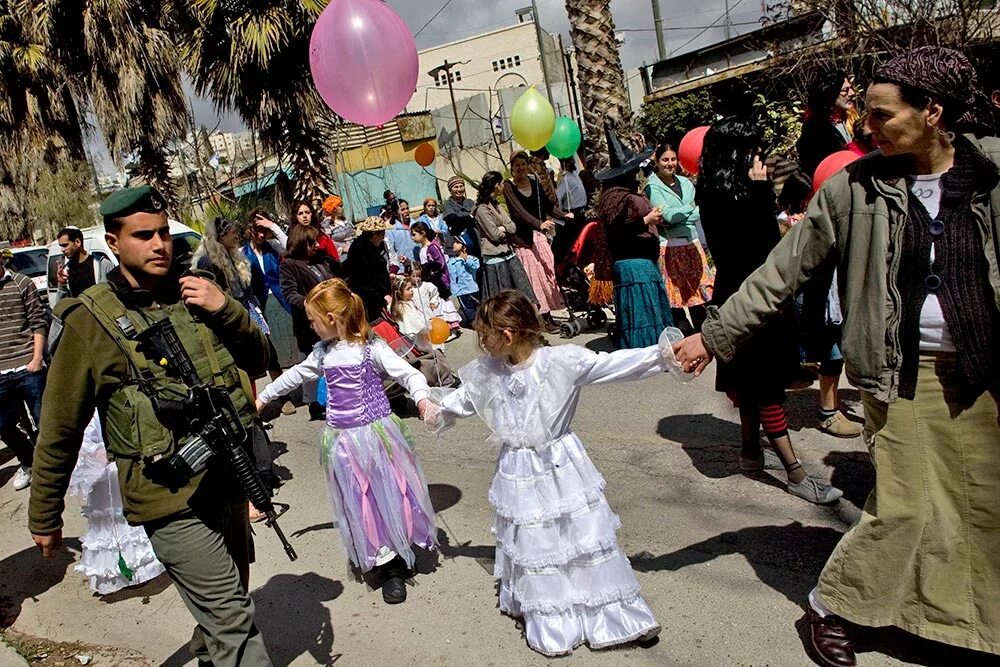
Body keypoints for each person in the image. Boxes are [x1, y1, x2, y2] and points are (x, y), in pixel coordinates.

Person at [673, 46, 1000, 666]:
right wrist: (713, 337)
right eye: (864, 115)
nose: (865, 127)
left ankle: (970, 625)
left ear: (933, 112)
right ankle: (835, 605)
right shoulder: (853, 187)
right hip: (901, 372)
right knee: (905, 505)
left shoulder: (990, 172)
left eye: (880, 116)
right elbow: (780, 272)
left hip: (984, 371)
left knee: (983, 502)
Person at [29, 185, 272, 666]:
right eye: (144, 235)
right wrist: (45, 513)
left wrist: (226, 308)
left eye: (163, 233)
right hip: (166, 495)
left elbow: (259, 360)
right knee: (234, 624)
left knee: (223, 608)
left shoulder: (197, 292)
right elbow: (59, 427)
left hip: (225, 476)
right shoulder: (90, 320)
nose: (159, 244)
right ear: (113, 242)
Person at [427, 290, 669, 656]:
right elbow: (462, 401)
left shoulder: (561, 361)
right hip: (518, 470)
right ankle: (552, 619)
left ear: (506, 335)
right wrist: (435, 408)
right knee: (535, 540)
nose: (481, 343)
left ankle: (614, 613)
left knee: (582, 535)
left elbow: (614, 364)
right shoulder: (489, 372)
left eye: (484, 334)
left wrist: (665, 355)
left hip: (561, 463)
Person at [256, 278, 437, 604]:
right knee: (362, 501)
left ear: (331, 319)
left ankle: (396, 560)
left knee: (389, 495)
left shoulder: (371, 347)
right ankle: (385, 561)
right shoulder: (323, 353)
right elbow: (295, 375)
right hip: (343, 443)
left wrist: (422, 398)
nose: (310, 327)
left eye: (312, 320)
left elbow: (408, 373)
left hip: (377, 437)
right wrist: (264, 397)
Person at [696, 118, 842, 504]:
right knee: (766, 387)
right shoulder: (745, 194)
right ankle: (795, 473)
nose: (760, 157)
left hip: (730, 292)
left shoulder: (709, 190)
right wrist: (762, 193)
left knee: (748, 382)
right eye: (754, 150)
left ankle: (750, 451)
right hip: (756, 296)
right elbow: (764, 248)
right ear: (738, 153)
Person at [68, 413, 165, 594]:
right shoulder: (83, 410)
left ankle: (147, 565)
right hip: (104, 469)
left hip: (124, 460)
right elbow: (80, 436)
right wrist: (98, 453)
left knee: (134, 514)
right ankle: (124, 570)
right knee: (113, 520)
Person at [595, 127, 673, 349]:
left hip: (624, 263)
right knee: (645, 309)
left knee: (633, 310)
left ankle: (636, 348)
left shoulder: (610, 198)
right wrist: (647, 220)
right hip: (637, 262)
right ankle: (649, 349)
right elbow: (620, 229)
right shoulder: (628, 198)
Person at [644, 144, 714, 336]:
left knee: (698, 294)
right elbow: (667, 217)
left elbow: (697, 211)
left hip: (692, 242)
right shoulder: (652, 187)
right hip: (670, 248)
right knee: (675, 297)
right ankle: (686, 336)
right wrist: (688, 210)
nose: (670, 164)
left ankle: (703, 335)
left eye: (673, 159)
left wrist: (681, 214)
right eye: (665, 160)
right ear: (657, 162)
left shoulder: (686, 183)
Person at [279, 223, 341, 421]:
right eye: (311, 242)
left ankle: (335, 400)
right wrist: (312, 305)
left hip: (332, 320)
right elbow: (290, 294)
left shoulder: (321, 260)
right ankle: (315, 404)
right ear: (301, 243)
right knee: (314, 365)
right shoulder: (289, 265)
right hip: (310, 323)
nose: (316, 245)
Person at [503, 151, 567, 332]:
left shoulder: (534, 182)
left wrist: (564, 215)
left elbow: (547, 205)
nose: (521, 168)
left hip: (540, 235)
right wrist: (539, 224)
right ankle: (543, 317)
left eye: (523, 164)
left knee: (548, 272)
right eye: (517, 166)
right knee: (535, 278)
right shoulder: (509, 186)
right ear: (512, 168)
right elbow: (518, 212)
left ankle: (550, 313)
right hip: (524, 238)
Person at [0, 259, 48, 491]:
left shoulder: (21, 283)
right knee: (4, 426)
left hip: (27, 365)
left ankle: (52, 470)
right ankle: (28, 462)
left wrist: (37, 358)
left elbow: (38, 321)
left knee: (44, 422)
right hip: (0, 372)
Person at [472, 171, 536, 304]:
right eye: (501, 183)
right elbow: (495, 235)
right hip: (495, 259)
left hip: (509, 253)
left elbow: (512, 227)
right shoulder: (481, 209)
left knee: (522, 291)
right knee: (503, 299)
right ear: (496, 185)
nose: (503, 186)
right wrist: (503, 228)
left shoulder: (496, 204)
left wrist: (503, 228)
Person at [390, 276, 457, 387]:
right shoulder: (404, 308)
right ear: (399, 293)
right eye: (408, 289)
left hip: (418, 340)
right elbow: (416, 325)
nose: (412, 290)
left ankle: (443, 376)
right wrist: (428, 324)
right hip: (418, 341)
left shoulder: (404, 304)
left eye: (411, 287)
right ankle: (442, 378)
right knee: (433, 359)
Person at [796, 70, 857, 178]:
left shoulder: (847, 118)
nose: (852, 93)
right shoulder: (816, 127)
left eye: (851, 88)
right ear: (830, 94)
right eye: (845, 90)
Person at [343, 216, 394, 323]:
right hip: (370, 298)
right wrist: (384, 293)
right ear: (374, 234)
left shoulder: (371, 246)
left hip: (377, 295)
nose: (383, 237)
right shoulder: (361, 249)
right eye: (382, 234)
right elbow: (368, 276)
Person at [54, 226, 114, 303]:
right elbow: (60, 306)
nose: (62, 250)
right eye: (61, 246)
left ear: (77, 242)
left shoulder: (102, 264)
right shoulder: (66, 271)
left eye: (65, 245)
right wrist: (62, 284)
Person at [406, 263, 461, 337]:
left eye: (419, 276)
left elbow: (435, 294)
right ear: (408, 276)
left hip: (427, 311)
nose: (417, 278)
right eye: (414, 276)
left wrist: (433, 302)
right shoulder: (408, 288)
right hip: (416, 312)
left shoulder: (426, 285)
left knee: (431, 326)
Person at [554, 157, 589, 263]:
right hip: (572, 213)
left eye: (572, 161)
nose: (572, 163)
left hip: (581, 212)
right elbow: (558, 197)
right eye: (569, 161)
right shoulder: (566, 179)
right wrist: (562, 214)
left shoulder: (575, 175)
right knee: (571, 244)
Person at [442, 176, 481, 258]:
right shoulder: (448, 205)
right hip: (458, 244)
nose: (459, 189)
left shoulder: (470, 202)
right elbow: (453, 220)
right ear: (450, 190)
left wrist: (465, 218)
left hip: (475, 240)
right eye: (456, 187)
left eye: (461, 186)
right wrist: (469, 217)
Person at [447, 232, 481, 325]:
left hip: (471, 288)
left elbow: (475, 267)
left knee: (477, 306)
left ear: (464, 247)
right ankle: (472, 322)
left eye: (457, 242)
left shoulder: (471, 259)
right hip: (460, 291)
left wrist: (466, 259)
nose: (454, 244)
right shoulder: (451, 261)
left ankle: (480, 320)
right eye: (454, 242)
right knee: (467, 308)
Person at [385, 198, 417, 274]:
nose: (406, 211)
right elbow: (391, 252)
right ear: (396, 213)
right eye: (402, 210)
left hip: (419, 266)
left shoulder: (416, 225)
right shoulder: (392, 231)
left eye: (407, 208)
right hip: (404, 270)